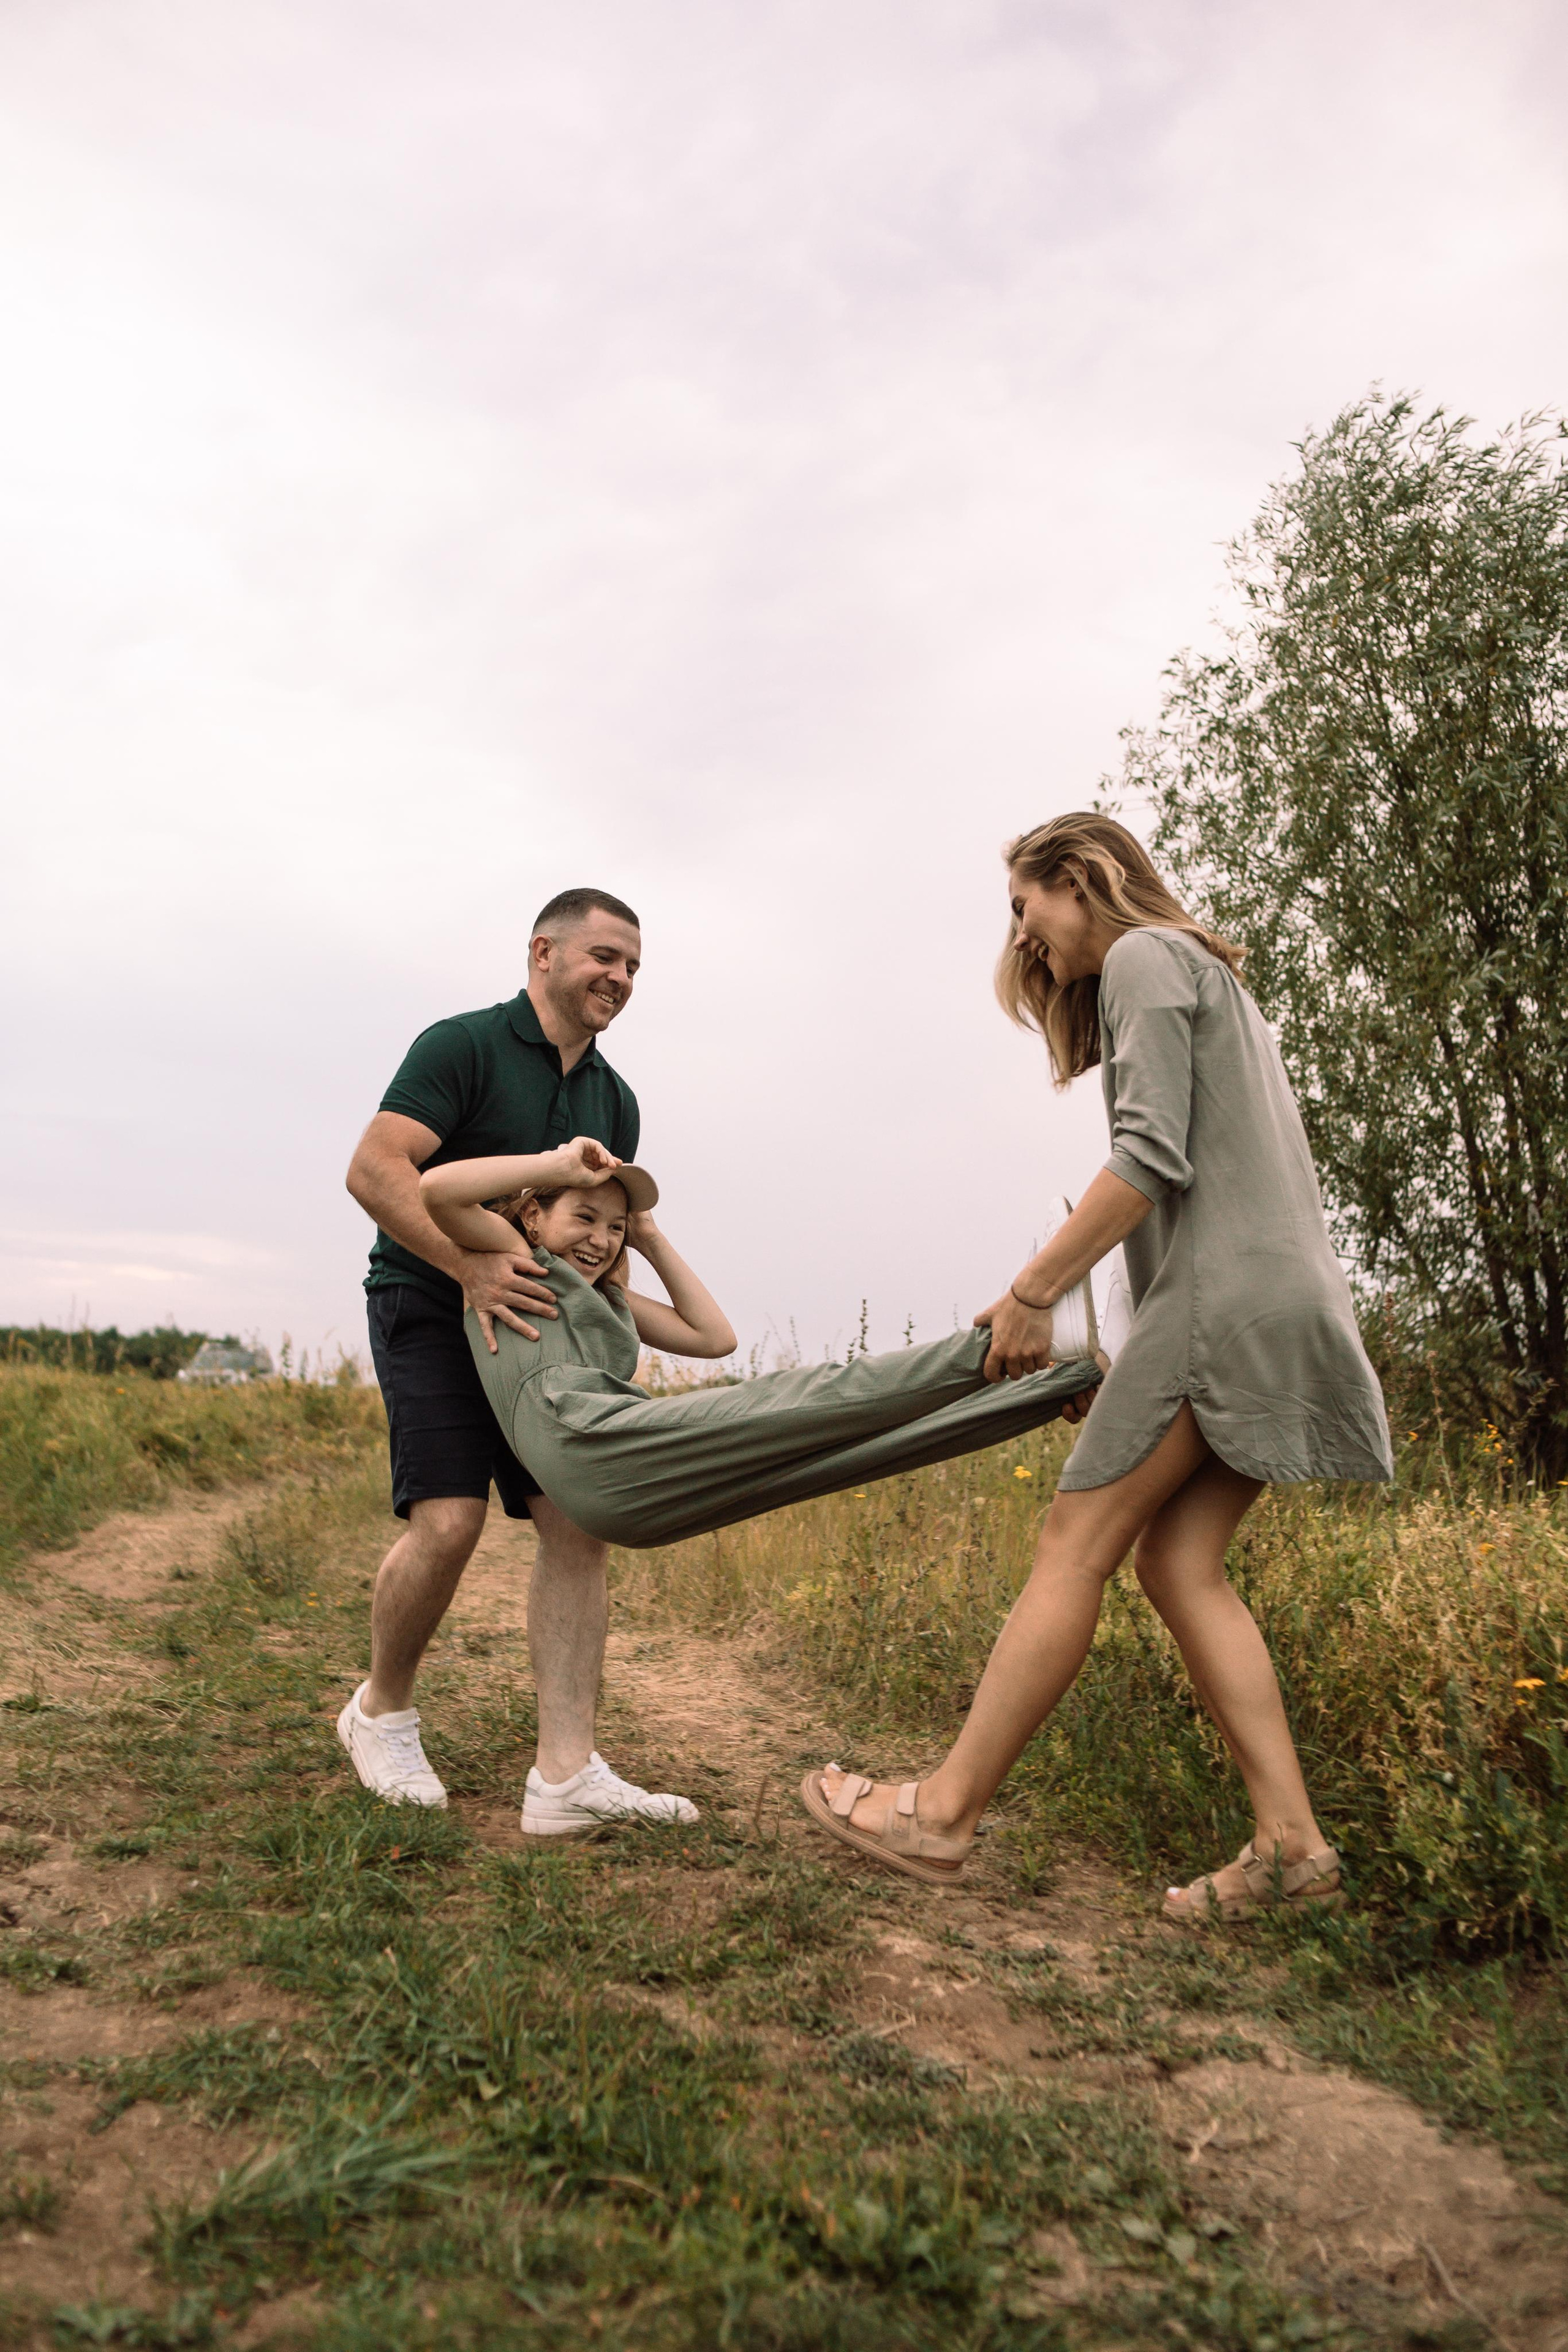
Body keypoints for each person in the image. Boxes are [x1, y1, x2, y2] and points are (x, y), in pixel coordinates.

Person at [801, 813, 1393, 1916]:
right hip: (1275, 1300)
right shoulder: (1205, 976)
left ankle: (941, 1814)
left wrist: (1034, 1291)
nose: (1022, 939)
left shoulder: (1142, 956)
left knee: (1074, 1541)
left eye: (1023, 908)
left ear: (1078, 880)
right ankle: (1292, 1848)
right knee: (1178, 1562)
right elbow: (1196, 1176)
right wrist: (1113, 1340)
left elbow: (1148, 1162)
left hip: (1225, 1304)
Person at [338, 888, 701, 1837]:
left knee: (578, 1525)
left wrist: (610, 1334)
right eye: (604, 957)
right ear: (544, 952)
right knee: (450, 1522)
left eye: (633, 966)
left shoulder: (614, 1099)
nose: (619, 979)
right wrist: (466, 1266)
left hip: (538, 1326)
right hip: (426, 1301)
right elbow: (375, 1171)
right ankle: (381, 1712)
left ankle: (566, 1776)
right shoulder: (460, 1045)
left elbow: (600, 1235)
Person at [420, 1148, 1101, 1554]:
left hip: (619, 1480)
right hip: (589, 1442)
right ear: (536, 1216)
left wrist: (650, 1238)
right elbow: (435, 1191)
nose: (600, 1240)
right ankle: (1005, 1329)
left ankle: (1065, 1371)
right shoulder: (517, 1263)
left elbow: (715, 1338)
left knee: (842, 1453)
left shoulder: (611, 1302)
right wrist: (556, 1165)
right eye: (584, 1217)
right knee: (811, 1394)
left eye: (615, 1227)